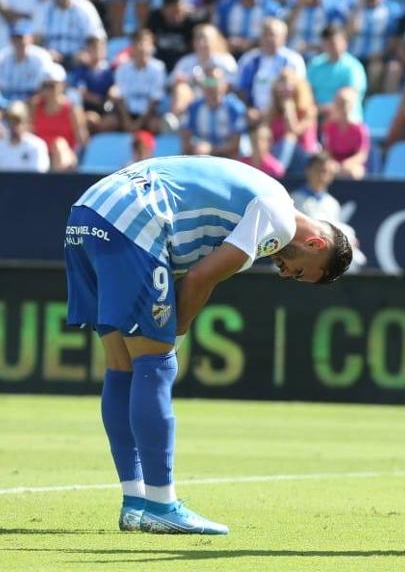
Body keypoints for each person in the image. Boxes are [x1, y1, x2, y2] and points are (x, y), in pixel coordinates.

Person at [65, 155, 352, 534]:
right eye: (297, 271)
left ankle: (135, 501)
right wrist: (174, 338)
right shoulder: (279, 221)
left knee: (122, 365)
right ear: (316, 243)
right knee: (156, 364)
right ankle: (161, 504)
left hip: (88, 213)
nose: (284, 272)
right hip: (133, 220)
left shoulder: (264, 201)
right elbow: (200, 280)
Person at [32, 0, 107, 63]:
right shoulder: (43, 8)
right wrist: (45, 53)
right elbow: (35, 39)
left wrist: (86, 54)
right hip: (51, 61)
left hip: (79, 61)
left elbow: (97, 38)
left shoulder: (84, 7)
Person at [30, 63, 86, 172]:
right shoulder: (34, 106)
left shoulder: (72, 109)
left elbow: (81, 141)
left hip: (66, 156)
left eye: (51, 86)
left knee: (59, 144)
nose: (47, 91)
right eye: (44, 86)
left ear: (62, 85)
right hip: (39, 154)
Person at [181, 68, 248, 157]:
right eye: (208, 82)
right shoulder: (193, 108)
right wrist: (197, 148)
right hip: (200, 157)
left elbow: (235, 145)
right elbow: (185, 139)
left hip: (228, 158)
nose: (211, 86)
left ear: (224, 84)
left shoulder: (235, 108)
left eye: (215, 82)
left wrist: (211, 150)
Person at [112, 30, 167, 133]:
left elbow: (154, 100)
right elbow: (119, 98)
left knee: (156, 125)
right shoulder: (122, 70)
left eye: (146, 44)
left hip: (149, 116)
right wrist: (127, 121)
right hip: (126, 115)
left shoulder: (158, 68)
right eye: (138, 43)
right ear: (132, 47)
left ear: (152, 47)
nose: (142, 48)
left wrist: (138, 124)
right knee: (108, 123)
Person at [265, 69, 319, 172]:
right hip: (277, 155)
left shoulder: (309, 111)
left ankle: (277, 173)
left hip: (305, 156)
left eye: (286, 81)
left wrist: (289, 108)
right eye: (280, 81)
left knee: (289, 139)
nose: (284, 86)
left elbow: (293, 131)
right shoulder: (272, 114)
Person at [320, 86, 370, 180]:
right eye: (338, 103)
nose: (341, 106)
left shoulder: (360, 129)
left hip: (352, 165)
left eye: (344, 103)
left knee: (353, 172)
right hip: (334, 163)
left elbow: (362, 154)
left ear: (352, 105)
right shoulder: (329, 127)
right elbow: (327, 151)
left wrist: (346, 164)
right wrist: (333, 163)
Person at [0, 20, 55, 103]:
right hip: (6, 101)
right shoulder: (3, 56)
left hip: (33, 102)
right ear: (10, 39)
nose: (18, 41)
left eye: (21, 37)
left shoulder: (41, 56)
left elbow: (49, 82)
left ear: (31, 38)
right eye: (15, 37)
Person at [0, 100, 50, 173]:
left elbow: (38, 178)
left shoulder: (37, 145)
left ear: (26, 121)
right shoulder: (1, 146)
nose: (14, 125)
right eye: (10, 121)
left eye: (18, 121)